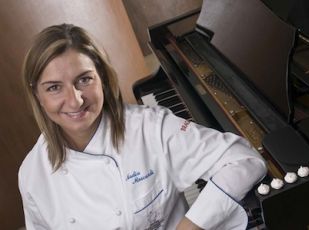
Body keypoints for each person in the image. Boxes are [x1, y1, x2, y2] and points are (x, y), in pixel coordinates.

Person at [18, 23, 267, 230]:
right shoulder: (32, 176)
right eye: (53, 87)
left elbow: (245, 160)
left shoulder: (149, 127)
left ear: (102, 79)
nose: (75, 100)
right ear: (37, 95)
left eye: (84, 80)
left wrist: (191, 226)